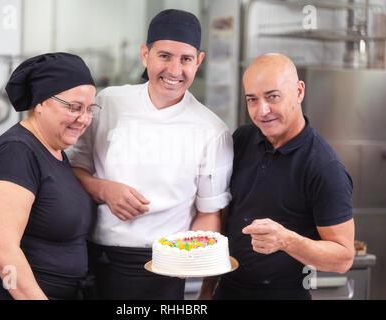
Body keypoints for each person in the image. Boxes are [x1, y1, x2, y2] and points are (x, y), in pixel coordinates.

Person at [66, 9, 233, 299]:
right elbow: (73, 170)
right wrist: (104, 189)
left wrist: (188, 257)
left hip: (161, 270)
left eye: (186, 59)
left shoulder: (212, 131)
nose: (175, 71)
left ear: (199, 61)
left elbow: (209, 213)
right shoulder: (109, 102)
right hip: (91, 257)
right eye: (164, 56)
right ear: (146, 55)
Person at [199, 53, 355, 300]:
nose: (262, 111)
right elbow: (226, 216)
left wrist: (286, 241)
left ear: (299, 91)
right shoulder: (242, 139)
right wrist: (207, 289)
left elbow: (343, 258)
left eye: (273, 96)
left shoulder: (324, 167)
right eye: (252, 99)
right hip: (227, 291)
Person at [0, 52, 100, 300]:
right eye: (74, 107)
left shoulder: (55, 152)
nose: (85, 119)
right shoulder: (16, 152)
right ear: (40, 103)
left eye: (90, 109)